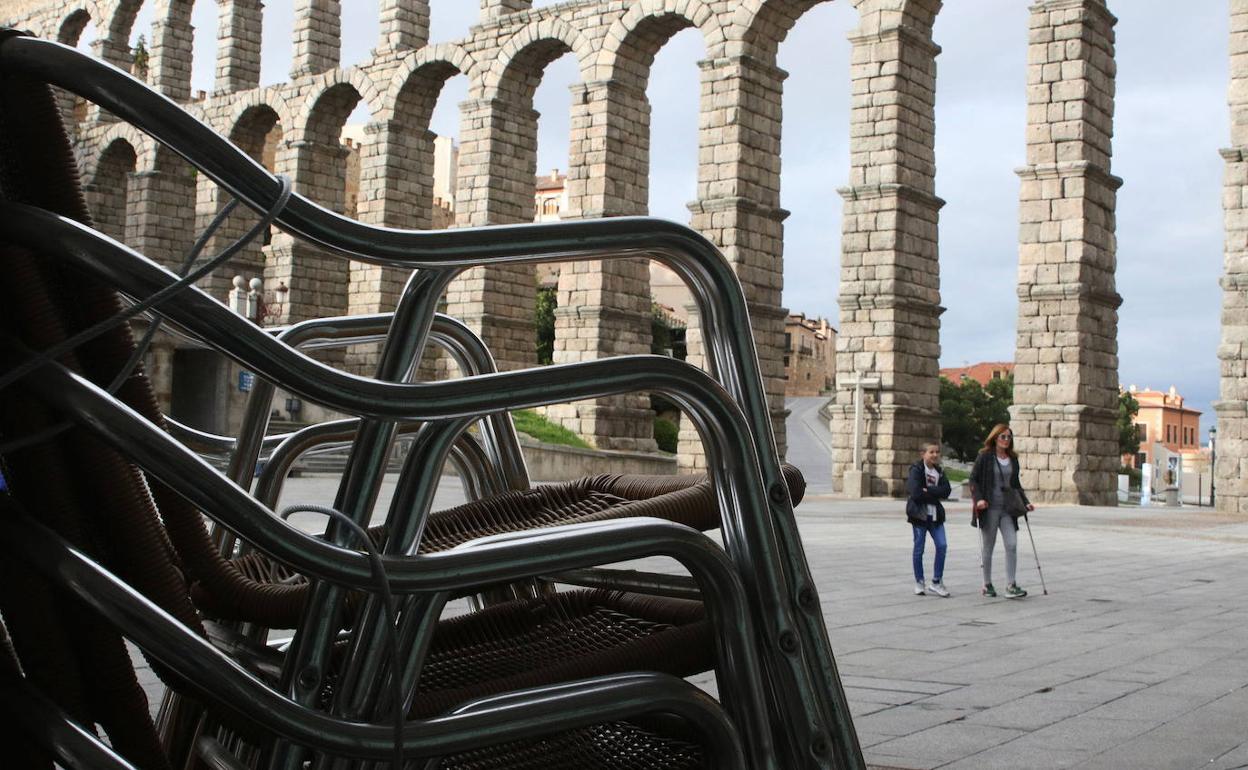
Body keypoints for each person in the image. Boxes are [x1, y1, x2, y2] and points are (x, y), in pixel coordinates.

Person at [969, 424, 1035, 599]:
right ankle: (987, 583)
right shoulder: (984, 456)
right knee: (988, 547)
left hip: (1008, 509)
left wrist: (1025, 503)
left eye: (1009, 437)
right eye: (1003, 437)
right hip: (989, 508)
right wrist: (979, 499)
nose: (1006, 440)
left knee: (1012, 544)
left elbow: (1016, 484)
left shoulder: (1012, 458)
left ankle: (1011, 584)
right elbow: (973, 480)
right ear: (995, 437)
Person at [905, 442, 952, 597]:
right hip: (920, 514)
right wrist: (934, 493)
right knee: (919, 548)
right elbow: (915, 492)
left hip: (936, 515)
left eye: (937, 452)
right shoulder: (916, 470)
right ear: (923, 454)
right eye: (931, 452)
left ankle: (937, 581)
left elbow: (946, 491)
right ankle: (919, 581)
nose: (935, 455)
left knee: (942, 545)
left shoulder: (940, 471)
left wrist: (929, 490)